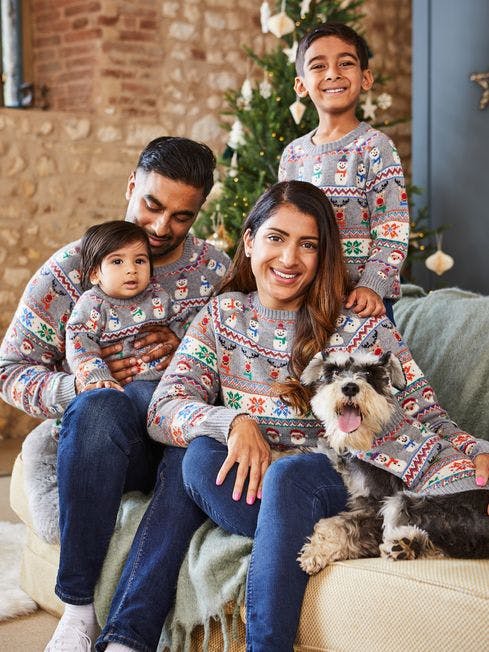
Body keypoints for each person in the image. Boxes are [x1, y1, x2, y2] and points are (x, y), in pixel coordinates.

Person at [144, 180, 489, 652]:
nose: (289, 259)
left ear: (323, 254)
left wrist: (478, 452)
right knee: (198, 458)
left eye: (308, 245)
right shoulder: (223, 315)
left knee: (291, 476)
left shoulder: (360, 321)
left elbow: (425, 409)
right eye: (276, 238)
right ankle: (295, 530)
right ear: (249, 241)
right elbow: (162, 409)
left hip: (334, 477)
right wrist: (233, 423)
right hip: (259, 482)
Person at [0, 136, 230, 651]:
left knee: (192, 446)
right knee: (101, 406)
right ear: (131, 185)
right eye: (151, 204)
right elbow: (10, 370)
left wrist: (191, 353)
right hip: (104, 444)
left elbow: (241, 368)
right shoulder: (69, 270)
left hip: (175, 437)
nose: (160, 227)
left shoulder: (216, 272)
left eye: (181, 216)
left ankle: (129, 636)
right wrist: (82, 385)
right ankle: (78, 611)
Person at [278, 22, 410, 322]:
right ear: (301, 85)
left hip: (361, 301)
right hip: (306, 299)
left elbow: (393, 228)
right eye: (318, 65)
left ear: (365, 78)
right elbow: (284, 228)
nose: (333, 73)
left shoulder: (375, 147)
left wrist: (372, 286)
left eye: (345, 63)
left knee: (365, 370)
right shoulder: (293, 155)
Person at [66, 220, 175, 393]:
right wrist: (98, 377)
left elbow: (184, 328)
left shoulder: (159, 296)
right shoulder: (92, 304)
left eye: (140, 261)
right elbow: (80, 343)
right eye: (117, 262)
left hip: (167, 383)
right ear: (94, 274)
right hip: (119, 386)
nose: (131, 269)